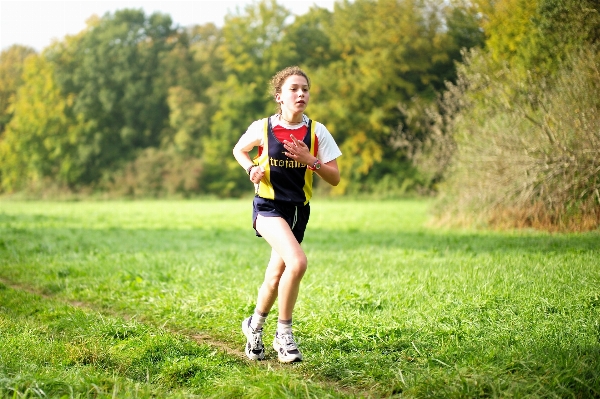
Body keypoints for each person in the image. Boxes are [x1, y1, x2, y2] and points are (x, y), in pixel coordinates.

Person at [232, 66, 342, 363]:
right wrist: (251, 169)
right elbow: (239, 150)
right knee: (298, 261)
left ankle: (253, 327)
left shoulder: (317, 131)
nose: (301, 94)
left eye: (305, 89)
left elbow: (335, 178)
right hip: (268, 207)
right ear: (279, 97)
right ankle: (284, 335)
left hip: (298, 212)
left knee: (275, 275)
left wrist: (311, 160)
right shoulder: (263, 127)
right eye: (294, 89)